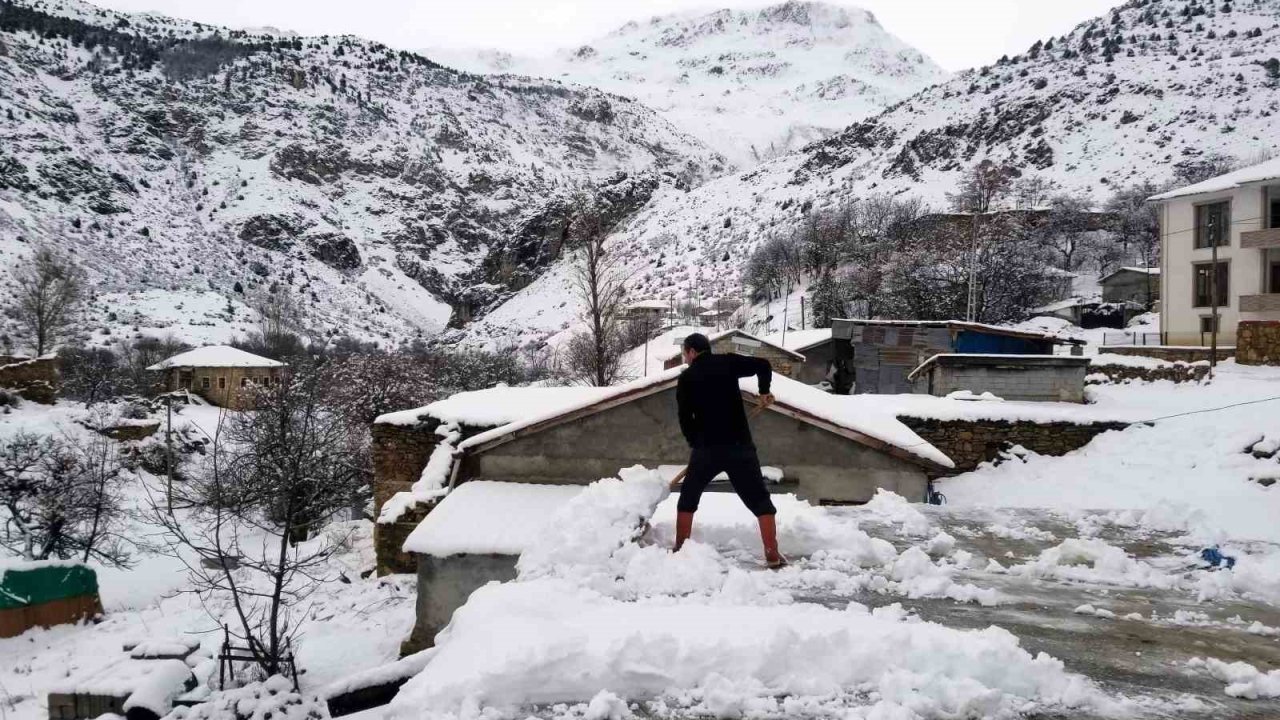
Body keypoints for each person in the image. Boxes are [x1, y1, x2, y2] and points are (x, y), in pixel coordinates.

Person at [674, 332, 785, 568]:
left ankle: (680, 549)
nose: (685, 358)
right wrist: (764, 391)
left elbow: (685, 418)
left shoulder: (687, 378)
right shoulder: (727, 362)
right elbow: (763, 365)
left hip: (707, 449)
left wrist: (696, 442)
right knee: (759, 499)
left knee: (688, 497)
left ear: (692, 352)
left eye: (685, 353)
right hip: (740, 447)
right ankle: (772, 553)